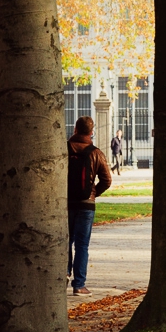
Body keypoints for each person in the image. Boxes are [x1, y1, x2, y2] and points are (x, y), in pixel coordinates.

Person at [67, 116, 111, 296]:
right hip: (86, 205)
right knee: (82, 245)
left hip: (66, 203)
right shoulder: (96, 153)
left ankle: (63, 276)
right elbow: (107, 180)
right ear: (92, 132)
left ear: (75, 129)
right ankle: (79, 285)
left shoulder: (64, 149)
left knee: (65, 242)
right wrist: (93, 193)